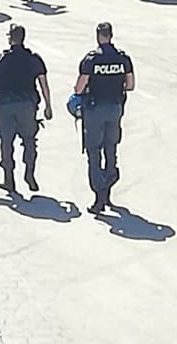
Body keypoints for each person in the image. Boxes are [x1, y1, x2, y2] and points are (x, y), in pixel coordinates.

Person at [0, 24, 53, 200]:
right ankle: (29, 174)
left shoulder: (1, 59)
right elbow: (43, 83)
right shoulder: (33, 58)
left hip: (5, 106)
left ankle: (9, 179)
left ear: (10, 38)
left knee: (6, 143)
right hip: (27, 106)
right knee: (29, 140)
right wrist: (48, 105)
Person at [74, 22, 135, 215]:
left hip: (94, 110)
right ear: (111, 35)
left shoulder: (91, 60)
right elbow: (131, 85)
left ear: (98, 36)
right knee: (111, 148)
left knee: (94, 151)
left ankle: (99, 197)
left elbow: (79, 88)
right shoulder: (123, 58)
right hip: (115, 108)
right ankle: (108, 187)